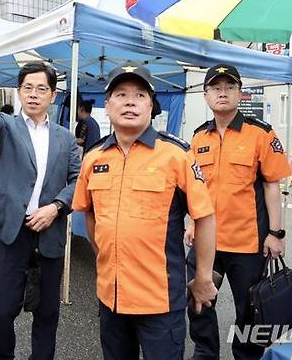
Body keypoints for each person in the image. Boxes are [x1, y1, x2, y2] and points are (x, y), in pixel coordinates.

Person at [72, 63, 218, 360]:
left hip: (160, 302)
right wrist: (107, 255)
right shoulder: (93, 158)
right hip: (110, 298)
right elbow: (89, 214)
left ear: (151, 106)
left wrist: (203, 277)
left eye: (140, 95)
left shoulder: (176, 155)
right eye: (121, 94)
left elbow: (204, 217)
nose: (129, 101)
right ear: (108, 104)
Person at [0, 45, 81, 360]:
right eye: (28, 88)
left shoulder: (65, 137)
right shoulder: (6, 128)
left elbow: (79, 181)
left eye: (42, 89)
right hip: (11, 229)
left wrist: (57, 207)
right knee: (2, 307)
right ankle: (3, 355)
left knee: (48, 310)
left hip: (49, 231)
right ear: (19, 92)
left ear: (53, 95)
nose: (34, 94)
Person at [185, 64, 291, 360]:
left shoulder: (261, 134)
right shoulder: (197, 138)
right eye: (216, 88)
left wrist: (275, 233)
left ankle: (246, 356)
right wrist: (191, 223)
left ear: (240, 93)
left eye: (229, 87)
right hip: (207, 242)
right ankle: (205, 353)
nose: (222, 93)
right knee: (198, 301)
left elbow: (272, 186)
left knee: (250, 309)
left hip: (247, 243)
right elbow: (195, 190)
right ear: (206, 95)